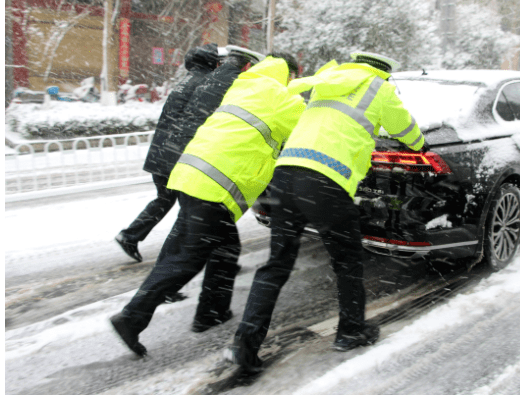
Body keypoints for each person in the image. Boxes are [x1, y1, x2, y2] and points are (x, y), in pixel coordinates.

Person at [224, 52, 427, 374]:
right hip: (325, 181)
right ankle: (350, 331)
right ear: (385, 73)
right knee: (347, 261)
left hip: (286, 174)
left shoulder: (326, 82)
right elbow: (407, 132)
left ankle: (244, 345)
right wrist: (420, 144)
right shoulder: (379, 88)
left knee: (276, 265)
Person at [109, 52, 306, 357]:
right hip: (216, 187)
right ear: (291, 75)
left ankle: (211, 313)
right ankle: (132, 318)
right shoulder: (285, 99)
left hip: (191, 174)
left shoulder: (243, 86)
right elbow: (303, 136)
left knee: (224, 250)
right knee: (186, 260)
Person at [115, 43, 220, 263]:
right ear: (212, 62)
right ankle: (179, 262)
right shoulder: (205, 84)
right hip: (178, 156)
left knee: (165, 200)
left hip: (162, 150)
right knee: (191, 212)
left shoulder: (185, 82)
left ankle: (130, 235)